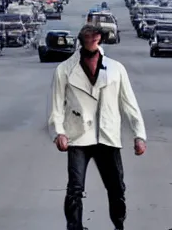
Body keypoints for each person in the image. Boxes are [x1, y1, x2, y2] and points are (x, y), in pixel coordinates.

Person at [48, 24, 147, 230]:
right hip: (77, 136)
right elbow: (55, 106)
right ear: (82, 39)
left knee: (117, 188)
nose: (92, 40)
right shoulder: (64, 70)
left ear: (100, 39)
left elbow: (129, 104)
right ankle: (74, 227)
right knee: (75, 189)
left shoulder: (116, 69)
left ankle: (118, 225)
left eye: (95, 36)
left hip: (107, 135)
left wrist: (139, 135)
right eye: (87, 37)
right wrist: (59, 132)